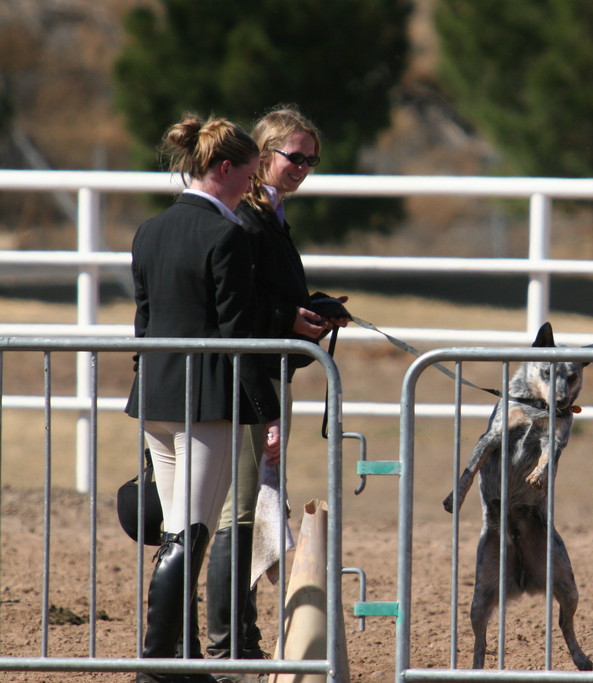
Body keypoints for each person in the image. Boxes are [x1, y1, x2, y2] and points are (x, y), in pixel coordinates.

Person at [125, 113, 281, 683]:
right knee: (190, 535)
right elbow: (238, 334)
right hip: (205, 404)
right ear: (222, 169)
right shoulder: (226, 234)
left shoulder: (150, 230)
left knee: (176, 534)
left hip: (157, 400)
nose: (251, 186)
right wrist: (269, 415)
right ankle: (156, 665)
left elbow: (144, 322)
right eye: (247, 174)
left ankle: (173, 662)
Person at [204, 104, 349, 673]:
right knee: (240, 511)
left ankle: (240, 633)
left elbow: (266, 294)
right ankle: (227, 644)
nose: (304, 167)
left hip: (268, 372)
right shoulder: (248, 219)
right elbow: (236, 303)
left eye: (312, 160)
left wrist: (311, 309)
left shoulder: (272, 215)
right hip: (250, 378)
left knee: (255, 504)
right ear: (263, 155)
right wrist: (290, 317)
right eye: (296, 156)